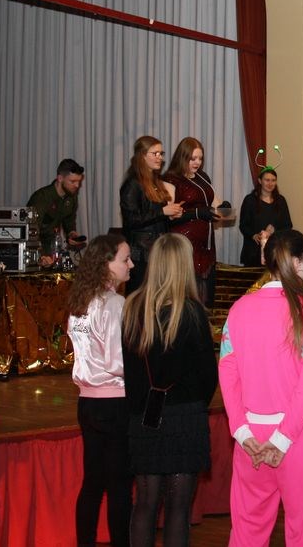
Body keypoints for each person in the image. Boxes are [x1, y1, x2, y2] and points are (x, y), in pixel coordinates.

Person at [219, 229, 303, 547]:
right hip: (299, 437)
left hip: (251, 440)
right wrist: (281, 440)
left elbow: (227, 373)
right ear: (294, 262)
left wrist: (242, 432)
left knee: (247, 533)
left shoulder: (239, 309)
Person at [122, 234, 218, 547]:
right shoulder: (191, 312)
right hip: (185, 418)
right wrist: (195, 405)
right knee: (178, 508)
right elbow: (208, 375)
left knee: (145, 504)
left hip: (144, 418)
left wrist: (138, 410)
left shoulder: (132, 308)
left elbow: (130, 373)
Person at [66, 233, 134, 547]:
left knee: (93, 482)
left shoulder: (80, 302)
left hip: (87, 402)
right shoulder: (115, 304)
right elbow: (117, 362)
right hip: (114, 402)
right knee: (119, 486)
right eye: (125, 259)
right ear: (107, 264)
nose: (131, 265)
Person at [120, 136, 184, 291]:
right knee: (141, 296)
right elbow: (130, 220)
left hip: (157, 250)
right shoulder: (132, 184)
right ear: (142, 156)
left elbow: (155, 217)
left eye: (161, 153)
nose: (160, 157)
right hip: (140, 254)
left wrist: (170, 215)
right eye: (155, 153)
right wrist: (162, 211)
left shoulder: (155, 181)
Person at [163, 137, 222, 307]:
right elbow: (170, 214)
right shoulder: (171, 179)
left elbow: (215, 203)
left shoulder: (202, 177)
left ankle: (202, 319)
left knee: (205, 292)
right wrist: (196, 213)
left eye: (200, 158)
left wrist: (223, 207)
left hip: (205, 243)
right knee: (187, 290)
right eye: (193, 158)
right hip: (184, 244)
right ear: (183, 157)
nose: (197, 162)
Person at [27, 158, 86, 264]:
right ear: (60, 178)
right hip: (36, 250)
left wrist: (72, 234)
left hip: (53, 248)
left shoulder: (71, 197)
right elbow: (30, 231)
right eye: (73, 181)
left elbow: (69, 221)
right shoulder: (42, 197)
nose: (77, 185)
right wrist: (41, 255)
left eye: (79, 181)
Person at [238, 168, 292, 267]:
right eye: (267, 180)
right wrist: (253, 235)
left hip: (275, 252)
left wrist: (274, 231)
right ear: (260, 181)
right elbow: (243, 225)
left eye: (273, 180)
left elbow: (288, 226)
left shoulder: (281, 201)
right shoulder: (250, 200)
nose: (270, 183)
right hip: (253, 252)